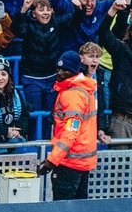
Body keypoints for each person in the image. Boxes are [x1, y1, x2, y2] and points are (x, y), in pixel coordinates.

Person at [36, 51, 98, 200]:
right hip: (82, 162)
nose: (60, 73)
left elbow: (71, 131)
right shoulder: (84, 90)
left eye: (65, 70)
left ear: (75, 71)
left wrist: (52, 160)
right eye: (59, 69)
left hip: (69, 163)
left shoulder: (72, 94)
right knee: (79, 210)